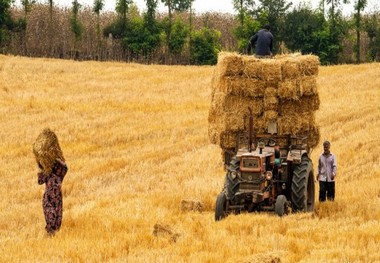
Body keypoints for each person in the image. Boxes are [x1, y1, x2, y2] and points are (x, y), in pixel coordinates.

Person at [33, 128, 68, 236]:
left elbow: (40, 180)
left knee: (51, 212)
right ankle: (52, 231)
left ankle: (51, 232)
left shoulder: (52, 170)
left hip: (50, 194)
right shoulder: (57, 169)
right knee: (56, 212)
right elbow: (64, 167)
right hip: (56, 194)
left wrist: (41, 166)